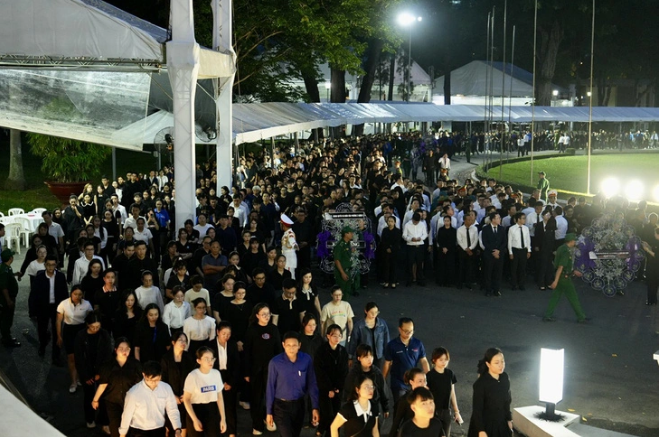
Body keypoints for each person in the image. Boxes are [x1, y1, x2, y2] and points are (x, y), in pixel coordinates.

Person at [266, 331, 320, 437]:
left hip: (299, 404)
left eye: (294, 345)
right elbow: (270, 388)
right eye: (288, 345)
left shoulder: (306, 359)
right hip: (281, 406)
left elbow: (312, 383)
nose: (291, 348)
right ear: (283, 345)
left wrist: (315, 407)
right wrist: (269, 412)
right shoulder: (275, 363)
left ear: (299, 345)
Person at [243, 303, 282, 435]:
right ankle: (257, 424)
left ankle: (269, 419)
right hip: (255, 370)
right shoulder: (252, 330)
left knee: (272, 396)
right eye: (263, 314)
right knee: (256, 398)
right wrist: (247, 372)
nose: (266, 316)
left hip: (271, 370)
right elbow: (247, 352)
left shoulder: (274, 329)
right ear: (257, 315)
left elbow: (279, 351)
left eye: (268, 314)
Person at [92, 338, 143, 437]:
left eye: (126, 349)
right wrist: (95, 399)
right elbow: (103, 384)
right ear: (115, 350)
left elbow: (140, 384)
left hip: (130, 402)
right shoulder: (109, 365)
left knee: (129, 430)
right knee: (115, 430)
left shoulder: (135, 365)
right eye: (121, 348)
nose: (124, 351)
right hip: (112, 402)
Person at [118, 360, 183, 437]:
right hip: (139, 431)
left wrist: (177, 429)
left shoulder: (166, 388)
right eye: (150, 380)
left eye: (157, 380)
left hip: (159, 430)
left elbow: (172, 409)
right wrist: (122, 433)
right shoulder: (133, 392)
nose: (153, 383)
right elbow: (127, 415)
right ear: (144, 375)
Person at [74, 311, 113, 429]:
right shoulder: (81, 336)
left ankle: (103, 420)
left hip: (101, 371)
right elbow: (79, 358)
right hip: (87, 371)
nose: (96, 329)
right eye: (93, 327)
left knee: (104, 396)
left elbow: (107, 355)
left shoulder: (104, 334)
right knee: (89, 395)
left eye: (98, 326)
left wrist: (100, 373)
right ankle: (90, 418)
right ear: (87, 325)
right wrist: (85, 376)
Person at [542, 233, 589, 323]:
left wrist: (572, 272)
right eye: (574, 240)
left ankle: (547, 315)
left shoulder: (561, 248)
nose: (575, 242)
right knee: (573, 297)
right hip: (564, 277)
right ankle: (581, 317)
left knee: (555, 297)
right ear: (571, 241)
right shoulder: (566, 252)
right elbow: (561, 267)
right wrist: (555, 281)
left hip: (562, 276)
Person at [467, 348, 513, 437]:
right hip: (486, 425)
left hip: (501, 422)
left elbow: (507, 402)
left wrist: (509, 419)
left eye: (502, 361)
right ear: (488, 364)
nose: (501, 365)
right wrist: (481, 430)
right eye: (496, 363)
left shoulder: (505, 378)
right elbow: (477, 410)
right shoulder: (481, 384)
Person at [383, 317, 430, 404]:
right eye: (406, 331)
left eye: (411, 331)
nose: (409, 333)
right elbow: (387, 363)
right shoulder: (392, 345)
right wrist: (383, 380)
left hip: (414, 382)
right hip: (398, 382)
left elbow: (423, 361)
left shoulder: (418, 344)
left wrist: (429, 376)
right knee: (401, 405)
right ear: (400, 329)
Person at [183, 346, 228, 437]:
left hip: (212, 410)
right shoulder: (192, 376)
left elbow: (219, 398)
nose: (210, 361)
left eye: (212, 359)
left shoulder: (216, 373)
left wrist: (223, 419)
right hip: (196, 410)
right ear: (199, 361)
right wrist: (195, 420)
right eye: (206, 359)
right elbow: (186, 399)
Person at [314, 324, 349, 437]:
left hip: (338, 389)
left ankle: (328, 431)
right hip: (325, 389)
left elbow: (344, 371)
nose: (337, 338)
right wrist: (329, 388)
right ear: (328, 336)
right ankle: (326, 430)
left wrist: (338, 388)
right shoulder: (321, 351)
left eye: (339, 335)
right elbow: (320, 372)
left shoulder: (342, 351)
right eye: (334, 335)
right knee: (328, 414)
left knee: (336, 414)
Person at [57, 284, 94, 392]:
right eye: (75, 294)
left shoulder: (87, 304)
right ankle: (73, 381)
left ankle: (79, 378)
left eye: (80, 294)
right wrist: (59, 336)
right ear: (71, 294)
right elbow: (58, 321)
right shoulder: (63, 304)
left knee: (82, 356)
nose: (77, 296)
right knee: (71, 357)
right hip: (69, 331)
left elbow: (91, 319)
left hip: (82, 331)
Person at [161, 331, 197, 436]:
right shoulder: (166, 358)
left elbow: (193, 377)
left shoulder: (189, 357)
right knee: (169, 424)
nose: (183, 343)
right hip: (170, 396)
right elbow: (163, 380)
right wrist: (172, 396)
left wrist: (186, 394)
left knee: (184, 423)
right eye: (180, 340)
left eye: (185, 341)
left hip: (185, 395)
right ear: (173, 342)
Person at [33, 256, 68, 360]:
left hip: (56, 308)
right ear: (45, 265)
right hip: (43, 307)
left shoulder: (61, 276)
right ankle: (42, 345)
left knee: (56, 330)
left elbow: (65, 293)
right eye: (48, 264)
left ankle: (56, 355)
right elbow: (34, 294)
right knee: (42, 329)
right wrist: (33, 310)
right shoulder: (39, 277)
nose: (50, 267)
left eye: (53, 264)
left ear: (56, 265)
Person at [212, 322, 241, 437]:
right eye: (223, 333)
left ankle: (232, 432)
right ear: (217, 332)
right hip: (215, 377)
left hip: (230, 378)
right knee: (214, 407)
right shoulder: (210, 345)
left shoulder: (232, 345)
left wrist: (230, 383)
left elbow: (237, 365)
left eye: (228, 334)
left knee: (230, 407)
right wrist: (220, 383)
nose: (226, 336)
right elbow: (210, 366)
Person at [426, 347, 462, 437]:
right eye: (441, 359)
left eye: (446, 359)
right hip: (433, 411)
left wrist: (456, 411)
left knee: (446, 434)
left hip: (446, 411)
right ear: (434, 360)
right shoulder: (429, 376)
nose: (444, 362)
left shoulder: (450, 374)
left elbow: (452, 393)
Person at [347, 302, 389, 370]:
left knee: (376, 375)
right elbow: (353, 342)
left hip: (377, 356)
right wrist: (350, 357)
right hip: (364, 355)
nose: (374, 314)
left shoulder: (382, 324)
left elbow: (386, 340)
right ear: (366, 311)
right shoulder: (359, 325)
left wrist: (388, 356)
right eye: (371, 312)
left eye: (376, 312)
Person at [388, 368, 427, 437]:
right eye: (420, 381)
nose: (423, 384)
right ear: (411, 382)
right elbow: (397, 421)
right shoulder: (405, 399)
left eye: (424, 381)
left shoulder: (428, 397)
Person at [480, 212, 507, 297]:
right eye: (498, 218)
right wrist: (493, 251)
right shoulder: (485, 229)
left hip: (499, 254)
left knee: (498, 273)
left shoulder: (502, 229)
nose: (499, 219)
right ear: (493, 219)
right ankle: (488, 289)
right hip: (489, 254)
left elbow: (504, 242)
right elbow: (485, 242)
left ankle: (496, 289)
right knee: (488, 272)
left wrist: (498, 251)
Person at [507, 212, 532, 291]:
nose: (525, 220)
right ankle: (514, 284)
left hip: (523, 250)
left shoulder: (526, 228)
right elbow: (509, 241)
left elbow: (528, 240)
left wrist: (529, 250)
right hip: (515, 250)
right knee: (514, 268)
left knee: (522, 268)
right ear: (518, 219)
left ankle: (521, 284)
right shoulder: (512, 228)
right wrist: (510, 252)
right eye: (523, 218)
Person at [333, 226, 360, 297]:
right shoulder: (340, 245)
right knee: (341, 293)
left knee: (347, 292)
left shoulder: (347, 244)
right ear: (345, 234)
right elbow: (337, 260)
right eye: (350, 233)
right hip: (342, 271)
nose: (352, 234)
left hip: (348, 271)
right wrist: (342, 273)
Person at [403, 212, 428, 287]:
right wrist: (410, 239)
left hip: (420, 245)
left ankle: (420, 280)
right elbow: (404, 235)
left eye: (417, 221)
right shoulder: (407, 225)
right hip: (411, 246)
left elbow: (425, 234)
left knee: (420, 263)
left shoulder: (422, 224)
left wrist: (421, 238)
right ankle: (409, 279)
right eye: (415, 221)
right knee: (410, 263)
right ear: (412, 219)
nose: (416, 223)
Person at [94, 269, 120, 335]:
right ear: (104, 279)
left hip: (116, 320)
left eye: (112, 277)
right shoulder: (99, 292)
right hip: (104, 321)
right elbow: (96, 308)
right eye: (108, 277)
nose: (110, 280)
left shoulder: (119, 292)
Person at [434, 216, 457, 287]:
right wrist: (443, 247)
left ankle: (449, 281)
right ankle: (441, 281)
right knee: (442, 266)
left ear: (450, 222)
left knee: (450, 266)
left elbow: (453, 241)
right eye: (445, 221)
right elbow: (439, 239)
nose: (446, 222)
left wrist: (448, 248)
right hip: (442, 250)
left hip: (450, 251)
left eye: (448, 221)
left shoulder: (453, 230)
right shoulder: (441, 229)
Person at [379, 215, 402, 289]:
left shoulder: (397, 231)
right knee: (386, 266)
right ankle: (386, 281)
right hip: (385, 251)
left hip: (395, 251)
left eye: (392, 221)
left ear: (395, 222)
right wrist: (387, 248)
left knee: (394, 266)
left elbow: (398, 242)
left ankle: (393, 281)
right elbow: (383, 241)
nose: (390, 223)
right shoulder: (385, 230)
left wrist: (392, 248)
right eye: (389, 221)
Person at [641, 227, 659, 305]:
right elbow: (654, 250)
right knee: (655, 284)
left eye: (655, 233)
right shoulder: (657, 242)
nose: (654, 234)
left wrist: (647, 249)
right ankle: (654, 300)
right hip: (655, 267)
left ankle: (651, 300)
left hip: (654, 267)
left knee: (651, 284)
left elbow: (656, 255)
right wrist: (648, 246)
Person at [280, 214, 299, 279]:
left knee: (290, 275)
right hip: (285, 256)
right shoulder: (286, 232)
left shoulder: (290, 233)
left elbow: (292, 240)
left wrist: (295, 245)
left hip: (289, 258)